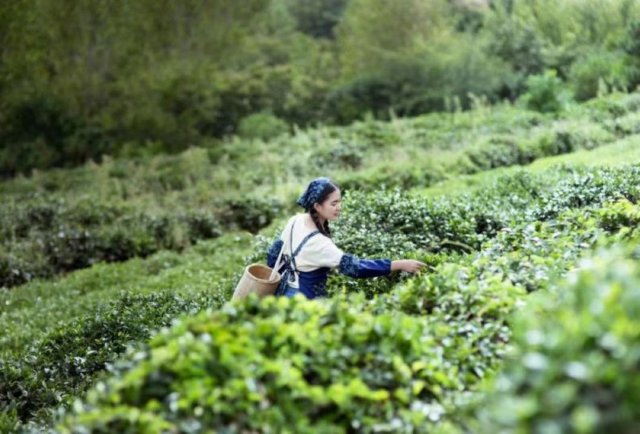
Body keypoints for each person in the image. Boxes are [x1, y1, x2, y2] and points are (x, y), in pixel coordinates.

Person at [266, 177, 426, 299]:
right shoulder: (320, 243)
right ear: (317, 206)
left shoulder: (295, 220)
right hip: (306, 298)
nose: (339, 208)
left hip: (285, 292)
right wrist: (398, 264)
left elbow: (274, 253)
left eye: (340, 202)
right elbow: (355, 268)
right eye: (333, 204)